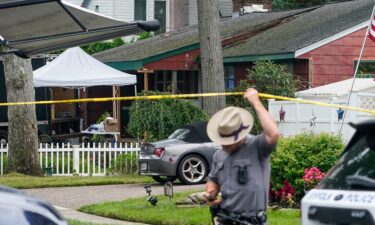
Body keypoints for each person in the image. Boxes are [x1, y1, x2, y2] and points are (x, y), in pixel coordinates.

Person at [204, 88, 279, 225]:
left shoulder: (257, 147)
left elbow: (273, 134)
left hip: (252, 220)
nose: (224, 145)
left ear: (241, 135)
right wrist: (211, 192)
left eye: (229, 141)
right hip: (225, 219)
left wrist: (256, 102)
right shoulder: (219, 155)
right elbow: (213, 180)